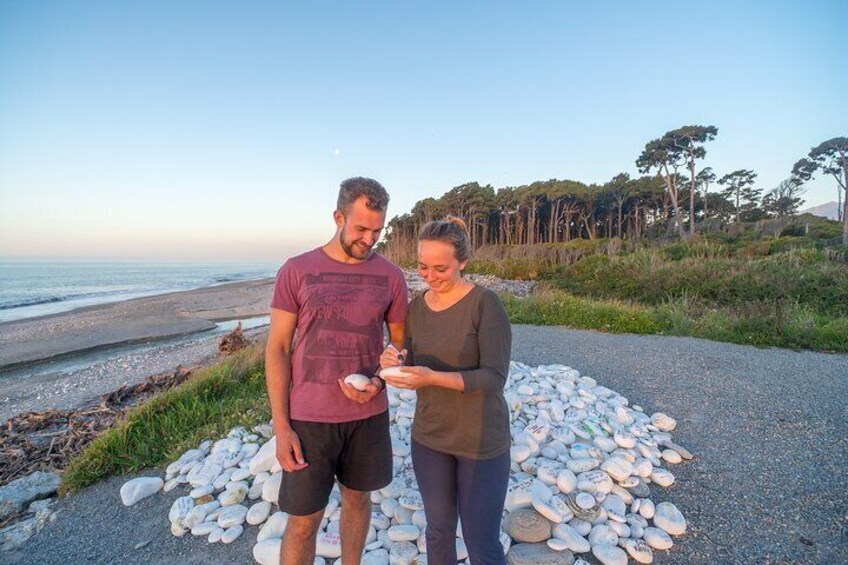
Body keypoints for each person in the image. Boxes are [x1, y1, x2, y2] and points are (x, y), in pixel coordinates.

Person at [265, 177, 408, 565]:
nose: (369, 239)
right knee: (303, 522)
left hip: (368, 416)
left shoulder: (391, 277)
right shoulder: (296, 270)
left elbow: (399, 347)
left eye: (377, 231)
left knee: (358, 501)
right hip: (309, 419)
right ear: (338, 217)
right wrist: (281, 427)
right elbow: (277, 349)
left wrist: (378, 382)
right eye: (360, 228)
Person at [380, 217, 512, 565]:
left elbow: (493, 379)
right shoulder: (417, 308)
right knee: (438, 532)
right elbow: (407, 353)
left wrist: (432, 377)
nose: (430, 276)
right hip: (430, 438)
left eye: (441, 268)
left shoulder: (485, 304)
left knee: (481, 542)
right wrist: (393, 358)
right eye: (422, 266)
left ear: (463, 263)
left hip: (480, 441)